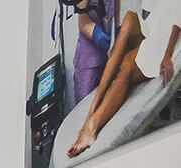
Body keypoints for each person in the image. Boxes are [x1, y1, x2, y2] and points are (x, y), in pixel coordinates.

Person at [68, 0, 181, 158]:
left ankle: (92, 126)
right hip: (154, 29)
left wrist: (167, 56)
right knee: (129, 19)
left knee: (127, 65)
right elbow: (149, 11)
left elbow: (177, 21)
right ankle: (90, 115)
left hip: (168, 38)